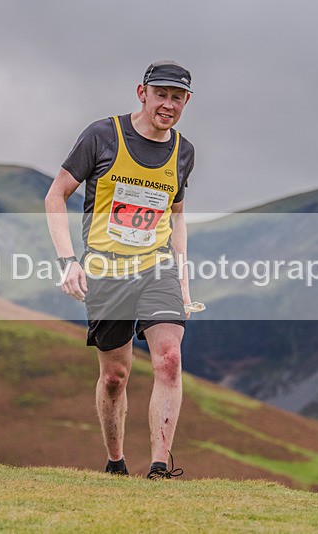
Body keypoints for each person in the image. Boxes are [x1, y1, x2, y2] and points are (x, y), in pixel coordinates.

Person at [44, 60, 195, 479]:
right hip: (106, 270)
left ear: (187, 101)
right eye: (161, 94)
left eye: (177, 97)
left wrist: (182, 274)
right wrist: (68, 260)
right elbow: (56, 195)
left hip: (157, 266)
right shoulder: (101, 136)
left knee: (169, 359)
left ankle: (161, 467)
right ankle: (116, 462)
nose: (168, 104)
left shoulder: (184, 151)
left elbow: (177, 214)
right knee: (115, 376)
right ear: (141, 93)